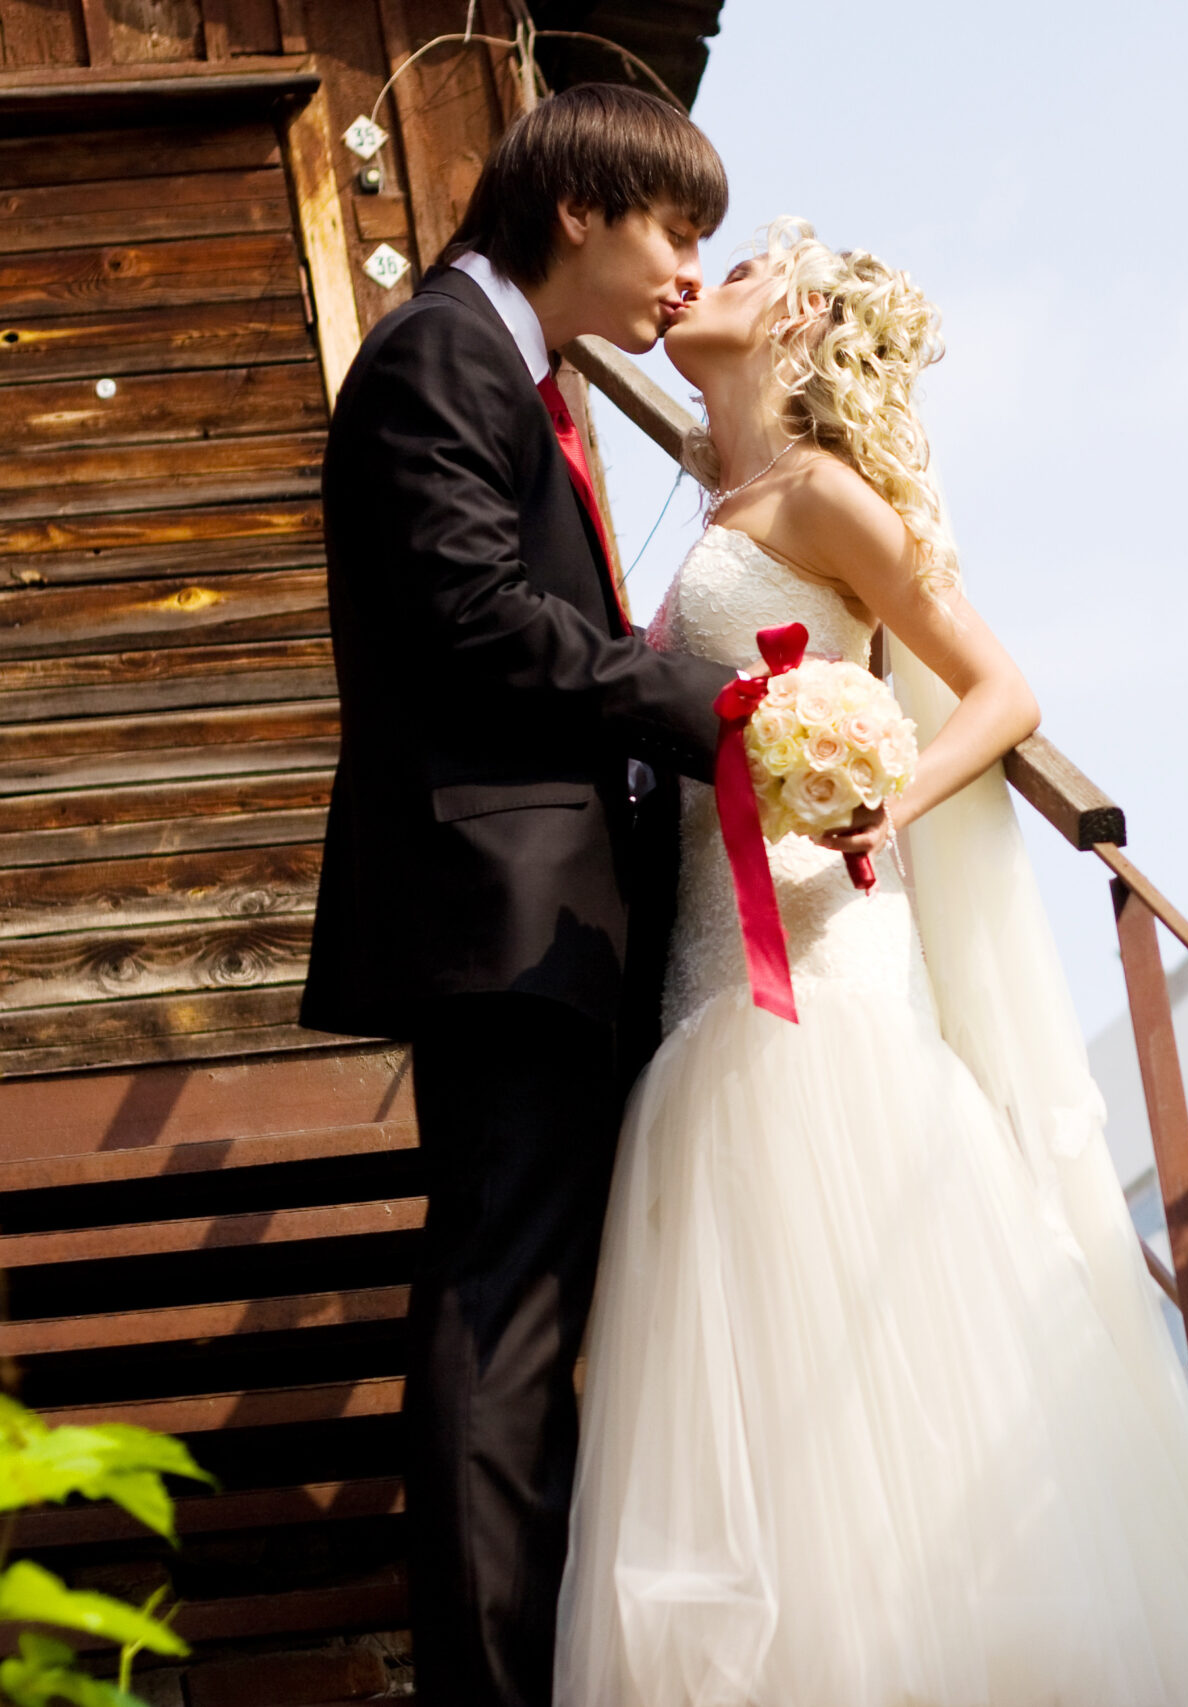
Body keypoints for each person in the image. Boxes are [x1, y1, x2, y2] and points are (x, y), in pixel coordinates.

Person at [552, 220, 1188, 1706]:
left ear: (798, 316)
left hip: (823, 960)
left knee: (866, 1337)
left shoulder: (818, 495)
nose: (699, 282)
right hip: (703, 964)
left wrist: (885, 795)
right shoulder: (720, 488)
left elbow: (1000, 688)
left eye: (735, 269)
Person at [298, 84, 736, 1707]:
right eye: (673, 230)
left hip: (551, 915)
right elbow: (477, 613)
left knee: (537, 1306)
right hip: (496, 910)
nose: (690, 270)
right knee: (505, 1302)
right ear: (579, 210)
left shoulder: (522, 372)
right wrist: (715, 722)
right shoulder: (435, 356)